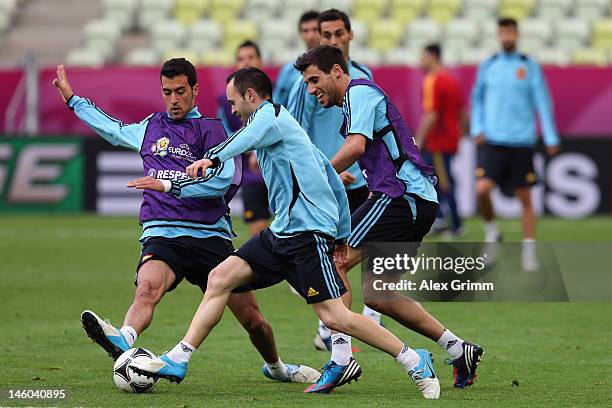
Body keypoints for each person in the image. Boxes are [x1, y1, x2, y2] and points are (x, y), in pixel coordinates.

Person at [129, 67, 441, 400]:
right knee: (220, 277)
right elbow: (330, 177)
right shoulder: (280, 129)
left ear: (251, 96)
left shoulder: (272, 116)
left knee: (335, 316)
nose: (232, 110)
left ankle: (412, 358)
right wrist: (341, 234)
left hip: (306, 237)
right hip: (281, 233)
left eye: (235, 102)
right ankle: (180, 357)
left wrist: (211, 157)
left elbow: (246, 139)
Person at [52, 58, 319, 384]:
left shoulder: (212, 130)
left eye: (180, 91)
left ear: (194, 90)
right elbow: (112, 128)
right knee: (148, 288)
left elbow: (224, 181)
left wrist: (172, 184)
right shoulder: (150, 127)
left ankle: (276, 367)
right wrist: (73, 100)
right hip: (163, 232)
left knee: (253, 320)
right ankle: (124, 338)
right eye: (167, 92)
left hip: (211, 237)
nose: (174, 99)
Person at [294, 45, 484, 391]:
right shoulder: (356, 99)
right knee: (379, 295)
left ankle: (340, 360)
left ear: (337, 71)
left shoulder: (359, 91)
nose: (310, 90)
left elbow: (355, 147)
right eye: (306, 83)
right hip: (415, 200)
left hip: (401, 198)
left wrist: (315, 176)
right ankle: (459, 349)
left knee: (334, 261)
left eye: (314, 80)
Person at [287, 8, 381, 350]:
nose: (332, 40)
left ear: (350, 34)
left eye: (337, 33)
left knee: (370, 246)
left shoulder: (365, 77)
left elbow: (369, 131)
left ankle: (351, 326)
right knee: (332, 257)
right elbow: (294, 133)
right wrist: (321, 170)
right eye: (325, 35)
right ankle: (333, 328)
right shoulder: (309, 83)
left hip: (360, 179)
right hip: (326, 180)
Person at [470, 18, 560, 271]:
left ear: (517, 34)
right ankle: (492, 233)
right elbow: (476, 99)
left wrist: (551, 136)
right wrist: (478, 128)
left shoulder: (528, 65)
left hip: (522, 141)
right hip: (494, 141)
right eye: (502, 32)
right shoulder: (489, 65)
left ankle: (529, 251)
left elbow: (543, 101)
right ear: (498, 35)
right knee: (481, 190)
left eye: (510, 32)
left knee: (525, 198)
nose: (506, 37)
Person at [217, 40, 271, 237]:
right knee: (258, 231)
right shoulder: (226, 101)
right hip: (251, 173)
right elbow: (224, 134)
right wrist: (248, 147)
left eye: (251, 57)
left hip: (278, 169)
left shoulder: (273, 94)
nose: (246, 62)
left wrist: (259, 147)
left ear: (260, 61)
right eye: (241, 59)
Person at [414, 43, 466, 239]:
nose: (420, 61)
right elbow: (462, 111)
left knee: (442, 182)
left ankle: (456, 224)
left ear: (432, 56)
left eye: (423, 56)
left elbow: (431, 114)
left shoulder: (433, 80)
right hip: (449, 138)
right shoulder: (451, 80)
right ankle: (441, 219)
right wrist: (464, 132)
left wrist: (419, 139)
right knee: (438, 181)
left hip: (438, 140)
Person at [272, 10, 320, 107]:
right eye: (305, 31)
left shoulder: (333, 66)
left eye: (315, 30)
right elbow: (277, 104)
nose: (310, 36)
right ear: (300, 34)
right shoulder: (289, 70)